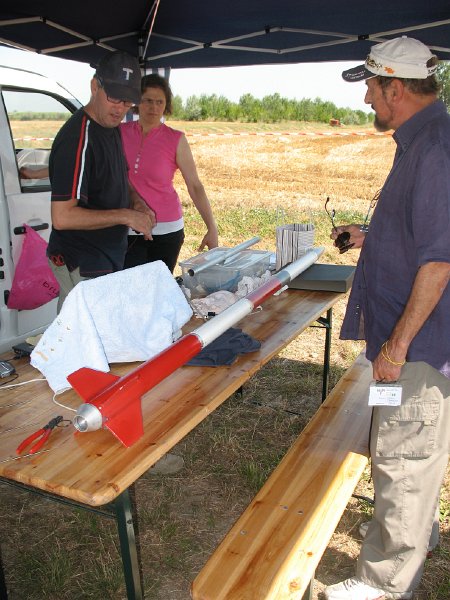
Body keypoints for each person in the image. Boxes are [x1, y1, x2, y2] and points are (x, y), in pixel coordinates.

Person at [325, 36, 450, 600]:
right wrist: (371, 237)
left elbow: (441, 257)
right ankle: (414, 531)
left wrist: (396, 348)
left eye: (372, 87)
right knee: (407, 449)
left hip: (419, 344)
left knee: (404, 453)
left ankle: (381, 584)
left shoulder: (436, 147)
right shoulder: (420, 141)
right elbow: (421, 234)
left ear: (395, 88)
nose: (368, 98)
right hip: (413, 337)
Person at [47, 51, 155, 310]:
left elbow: (120, 178)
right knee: (81, 341)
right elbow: (63, 217)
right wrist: (126, 216)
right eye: (114, 98)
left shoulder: (110, 127)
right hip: (82, 262)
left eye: (128, 102)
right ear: (95, 86)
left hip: (106, 257)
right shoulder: (78, 138)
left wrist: (137, 203)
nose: (120, 108)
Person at [120, 74, 218, 273]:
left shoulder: (176, 139)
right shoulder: (118, 132)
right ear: (138, 102)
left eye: (159, 102)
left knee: (159, 293)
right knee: (130, 293)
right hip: (126, 226)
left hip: (167, 231)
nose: (153, 107)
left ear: (166, 105)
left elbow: (195, 185)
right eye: (148, 100)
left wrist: (211, 227)